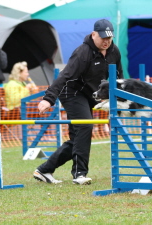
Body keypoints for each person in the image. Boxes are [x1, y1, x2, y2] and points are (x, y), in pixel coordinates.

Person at [33, 19, 123, 185]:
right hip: (72, 93)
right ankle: (79, 174)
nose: (106, 41)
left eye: (109, 38)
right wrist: (49, 98)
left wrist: (121, 99)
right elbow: (65, 76)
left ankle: (44, 170)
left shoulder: (113, 51)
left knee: (77, 139)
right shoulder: (82, 52)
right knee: (86, 126)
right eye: (103, 37)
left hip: (91, 95)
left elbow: (118, 77)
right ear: (93, 34)